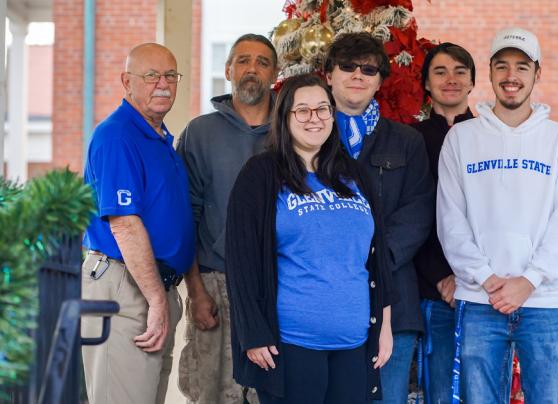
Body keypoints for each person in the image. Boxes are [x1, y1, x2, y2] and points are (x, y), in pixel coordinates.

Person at [225, 73, 395, 404]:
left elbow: (377, 257)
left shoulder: (353, 174)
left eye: (322, 109)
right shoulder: (261, 175)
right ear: (285, 117)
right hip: (291, 345)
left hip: (354, 343)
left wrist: (384, 325)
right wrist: (253, 334)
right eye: (302, 110)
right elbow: (240, 261)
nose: (313, 118)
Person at [436, 27, 558, 404]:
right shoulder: (461, 138)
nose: (511, 76)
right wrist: (487, 279)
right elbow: (450, 221)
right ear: (489, 73)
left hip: (545, 302)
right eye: (501, 66)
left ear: (538, 73)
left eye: (521, 66)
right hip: (479, 300)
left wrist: (529, 280)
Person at [80, 43, 195, 404]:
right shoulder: (118, 136)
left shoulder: (159, 137)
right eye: (151, 76)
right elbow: (124, 225)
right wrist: (157, 302)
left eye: (170, 76)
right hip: (125, 287)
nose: (162, 84)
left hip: (150, 287)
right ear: (126, 82)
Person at [324, 32, 434, 404]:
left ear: (380, 80)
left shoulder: (406, 141)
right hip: (326, 296)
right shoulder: (308, 138)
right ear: (328, 75)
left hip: (395, 297)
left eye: (369, 69)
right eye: (348, 66)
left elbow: (419, 209)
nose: (359, 75)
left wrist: (375, 258)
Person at [176, 33, 278, 404]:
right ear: (228, 70)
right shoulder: (200, 133)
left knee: (273, 393)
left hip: (280, 284)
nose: (252, 68)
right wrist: (196, 291)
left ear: (274, 73)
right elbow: (187, 216)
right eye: (244, 60)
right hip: (216, 283)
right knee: (213, 393)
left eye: (262, 62)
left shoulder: (291, 130)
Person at [411, 42, 475, 404]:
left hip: (483, 289)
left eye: (459, 72)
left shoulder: (491, 140)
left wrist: (469, 275)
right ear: (426, 83)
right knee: (437, 393)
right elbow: (409, 215)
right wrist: (440, 276)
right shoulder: (410, 140)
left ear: (472, 83)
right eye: (440, 71)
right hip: (432, 290)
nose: (450, 80)